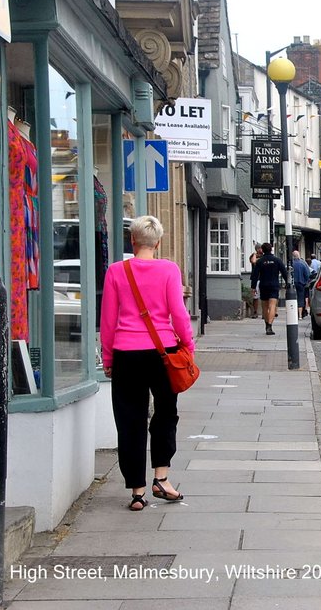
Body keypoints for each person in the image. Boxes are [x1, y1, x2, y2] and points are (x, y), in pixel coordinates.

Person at [100, 215, 194, 512]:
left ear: (132, 240)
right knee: (166, 413)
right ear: (158, 242)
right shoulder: (169, 269)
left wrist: (108, 357)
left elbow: (108, 319)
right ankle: (162, 478)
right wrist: (188, 344)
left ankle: (138, 492)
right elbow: (178, 313)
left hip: (126, 353)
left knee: (130, 420)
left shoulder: (116, 272)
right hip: (162, 352)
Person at [250, 242, 289, 335]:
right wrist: (288, 283)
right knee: (272, 306)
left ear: (262, 250)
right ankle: (270, 326)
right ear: (271, 249)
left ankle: (267, 324)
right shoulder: (277, 260)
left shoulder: (260, 261)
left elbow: (255, 275)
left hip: (263, 285)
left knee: (265, 306)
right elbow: (284, 273)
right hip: (274, 285)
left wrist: (253, 287)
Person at [291, 249, 311, 319]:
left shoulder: (291, 264)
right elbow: (308, 274)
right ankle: (300, 315)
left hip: (293, 284)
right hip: (301, 283)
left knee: (293, 299)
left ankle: (293, 314)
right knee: (300, 298)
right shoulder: (303, 263)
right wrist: (306, 282)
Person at [248, 244, 263, 318]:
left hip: (263, 278)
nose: (261, 250)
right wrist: (255, 254)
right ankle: (255, 312)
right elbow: (253, 261)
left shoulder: (264, 256)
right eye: (260, 248)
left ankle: (264, 312)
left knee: (264, 296)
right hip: (255, 278)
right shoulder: (253, 256)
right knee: (255, 296)